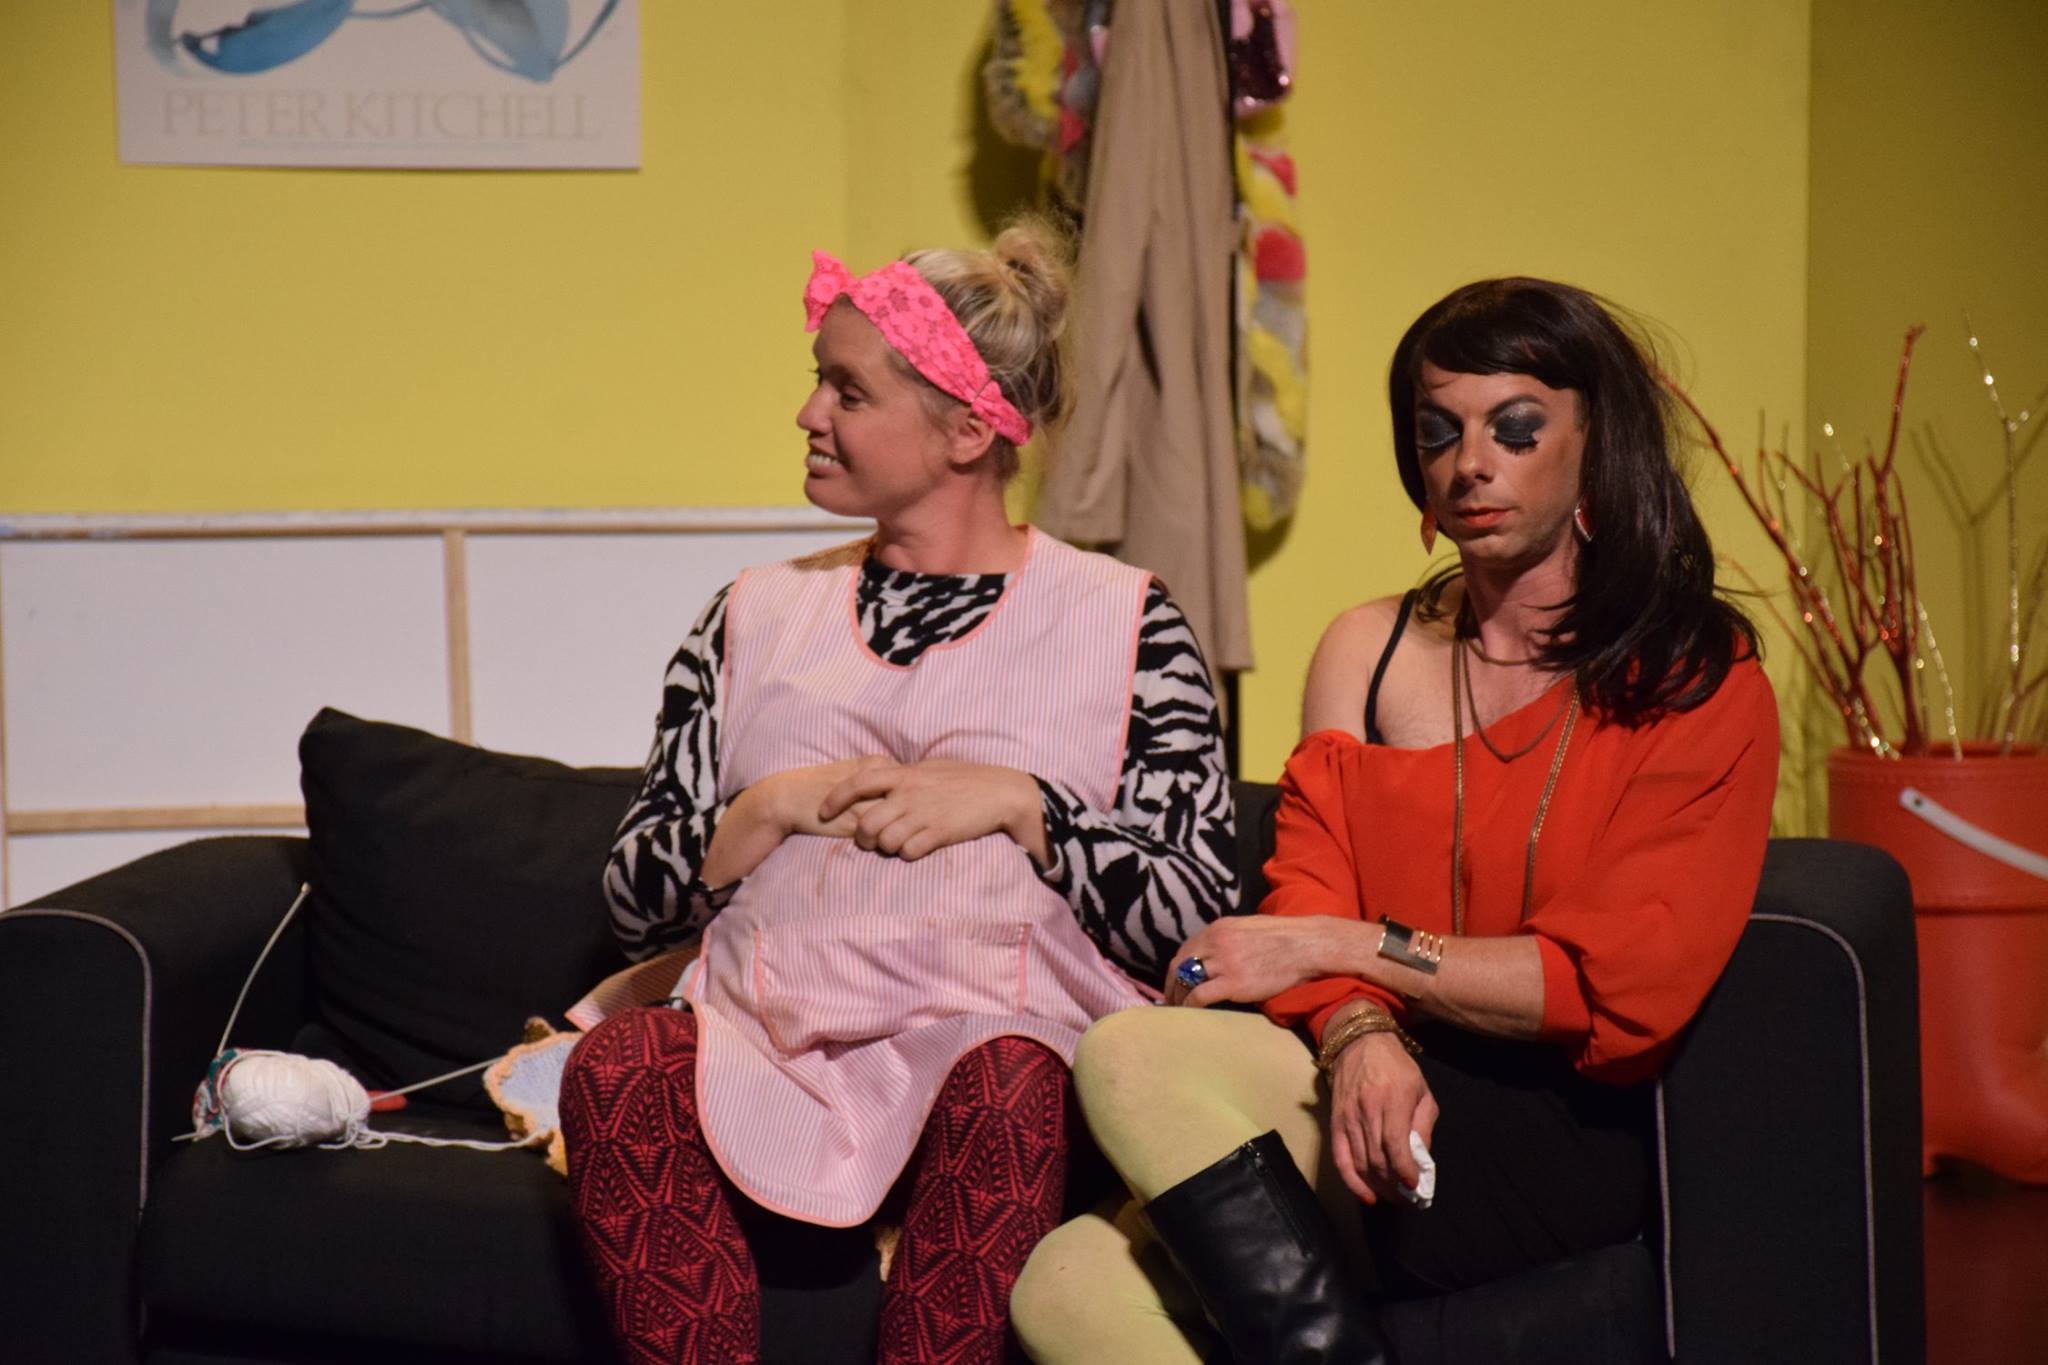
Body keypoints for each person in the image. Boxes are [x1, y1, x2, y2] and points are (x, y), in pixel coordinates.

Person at [1010, 277, 1781, 1365]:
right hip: (1365, 1061)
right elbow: (1308, 886)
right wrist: (1360, 1032)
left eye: (1515, 428)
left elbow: (1607, 985)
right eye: (1438, 431)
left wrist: (1345, 950)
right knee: (1063, 1290)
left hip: (1557, 1120)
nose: (1470, 463)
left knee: (1133, 1057)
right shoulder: (1365, 651)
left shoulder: (1695, 673)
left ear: (1595, 442)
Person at [558, 222, 1237, 1365]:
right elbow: (631, 904)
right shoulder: (750, 614)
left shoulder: (1126, 621)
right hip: (771, 1039)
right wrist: (763, 812)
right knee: (617, 1069)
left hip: (998, 1052)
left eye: (847, 391)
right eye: (817, 381)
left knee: (1006, 1085)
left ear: (967, 430)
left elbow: (1195, 922)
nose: (807, 414)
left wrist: (1028, 808)